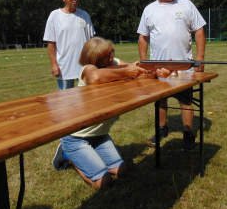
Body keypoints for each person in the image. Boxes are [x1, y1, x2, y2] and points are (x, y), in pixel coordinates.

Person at [52, 37, 170, 188]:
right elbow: (95, 77)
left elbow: (139, 72)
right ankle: (67, 155)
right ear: (93, 60)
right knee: (104, 182)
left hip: (100, 135)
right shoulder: (88, 69)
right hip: (77, 136)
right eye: (104, 58)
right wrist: (126, 71)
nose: (111, 58)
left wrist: (157, 72)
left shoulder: (114, 63)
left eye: (111, 53)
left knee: (121, 171)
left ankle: (86, 154)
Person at [137, 0, 206, 151]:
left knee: (185, 101)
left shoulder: (186, 5)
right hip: (158, 68)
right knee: (160, 100)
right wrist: (145, 64)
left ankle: (188, 134)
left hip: (184, 67)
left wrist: (200, 58)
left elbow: (199, 30)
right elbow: (143, 38)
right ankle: (162, 129)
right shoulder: (149, 10)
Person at [43, 0, 95, 91]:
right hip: (64, 68)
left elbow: (92, 41)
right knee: (65, 102)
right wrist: (54, 65)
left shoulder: (84, 15)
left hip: (85, 67)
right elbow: (51, 44)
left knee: (87, 98)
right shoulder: (54, 16)